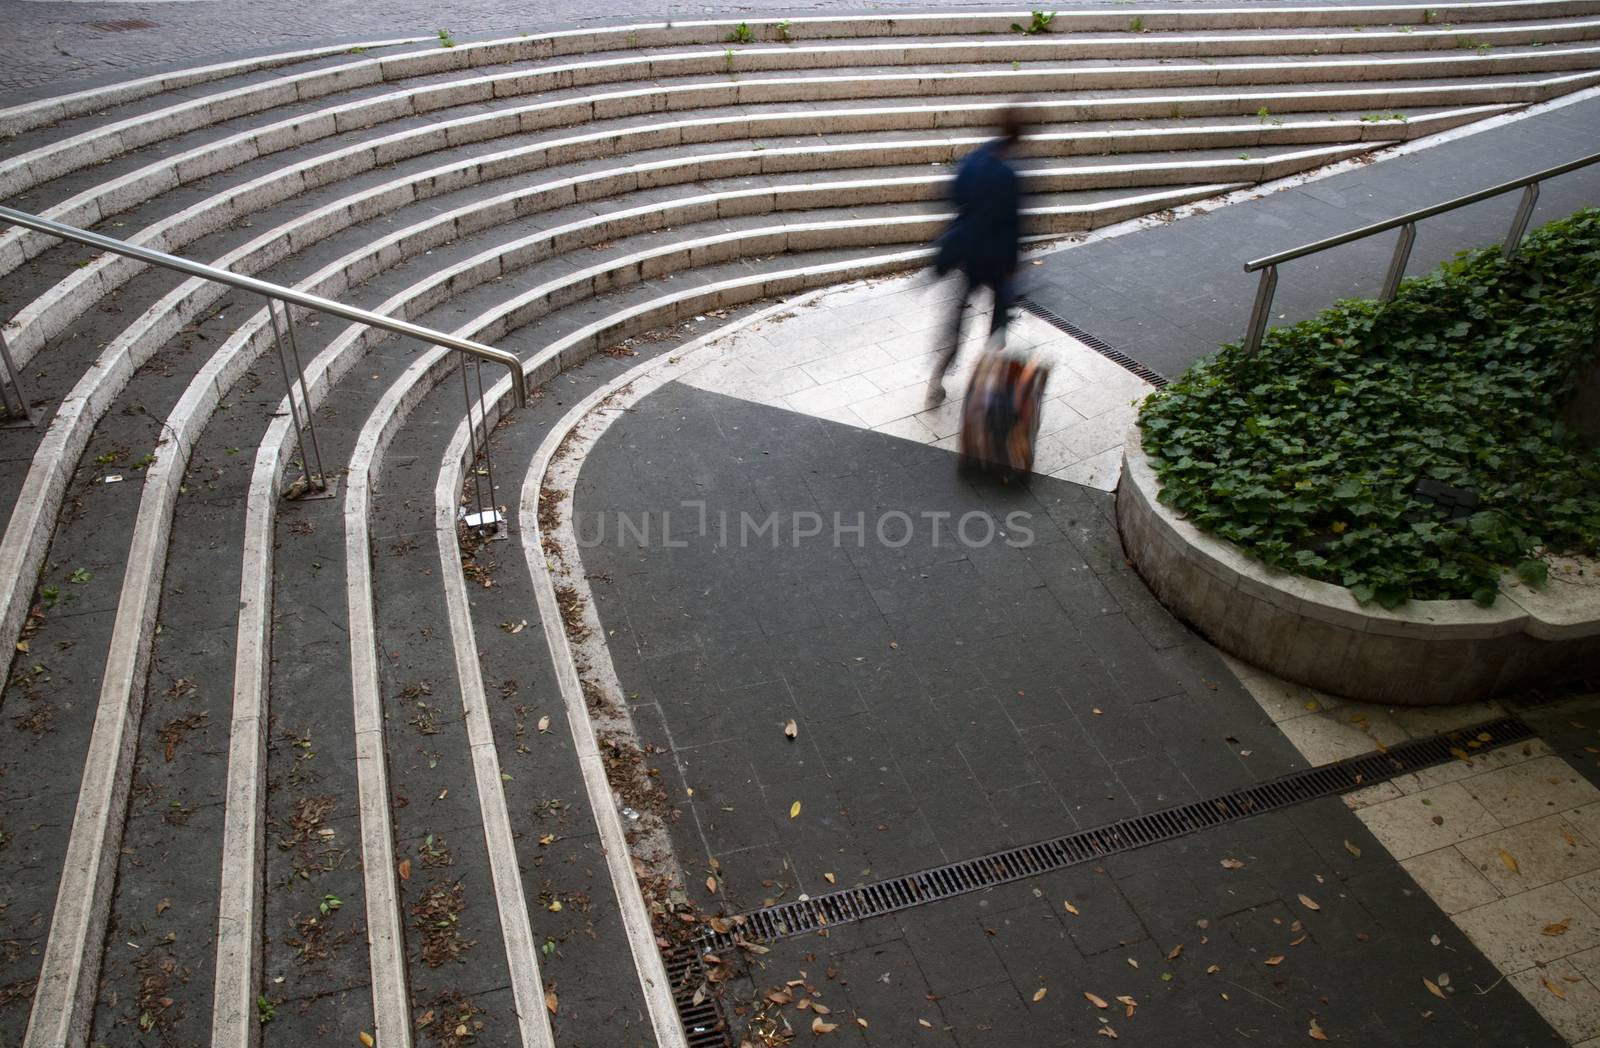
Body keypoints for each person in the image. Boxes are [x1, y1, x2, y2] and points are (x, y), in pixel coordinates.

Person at [926, 110, 1024, 407]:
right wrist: (1012, 266)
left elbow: (953, 196)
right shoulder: (1008, 176)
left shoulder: (973, 160)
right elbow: (1012, 226)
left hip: (965, 252)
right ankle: (985, 381)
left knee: (957, 319)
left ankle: (936, 379)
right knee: (998, 319)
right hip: (995, 258)